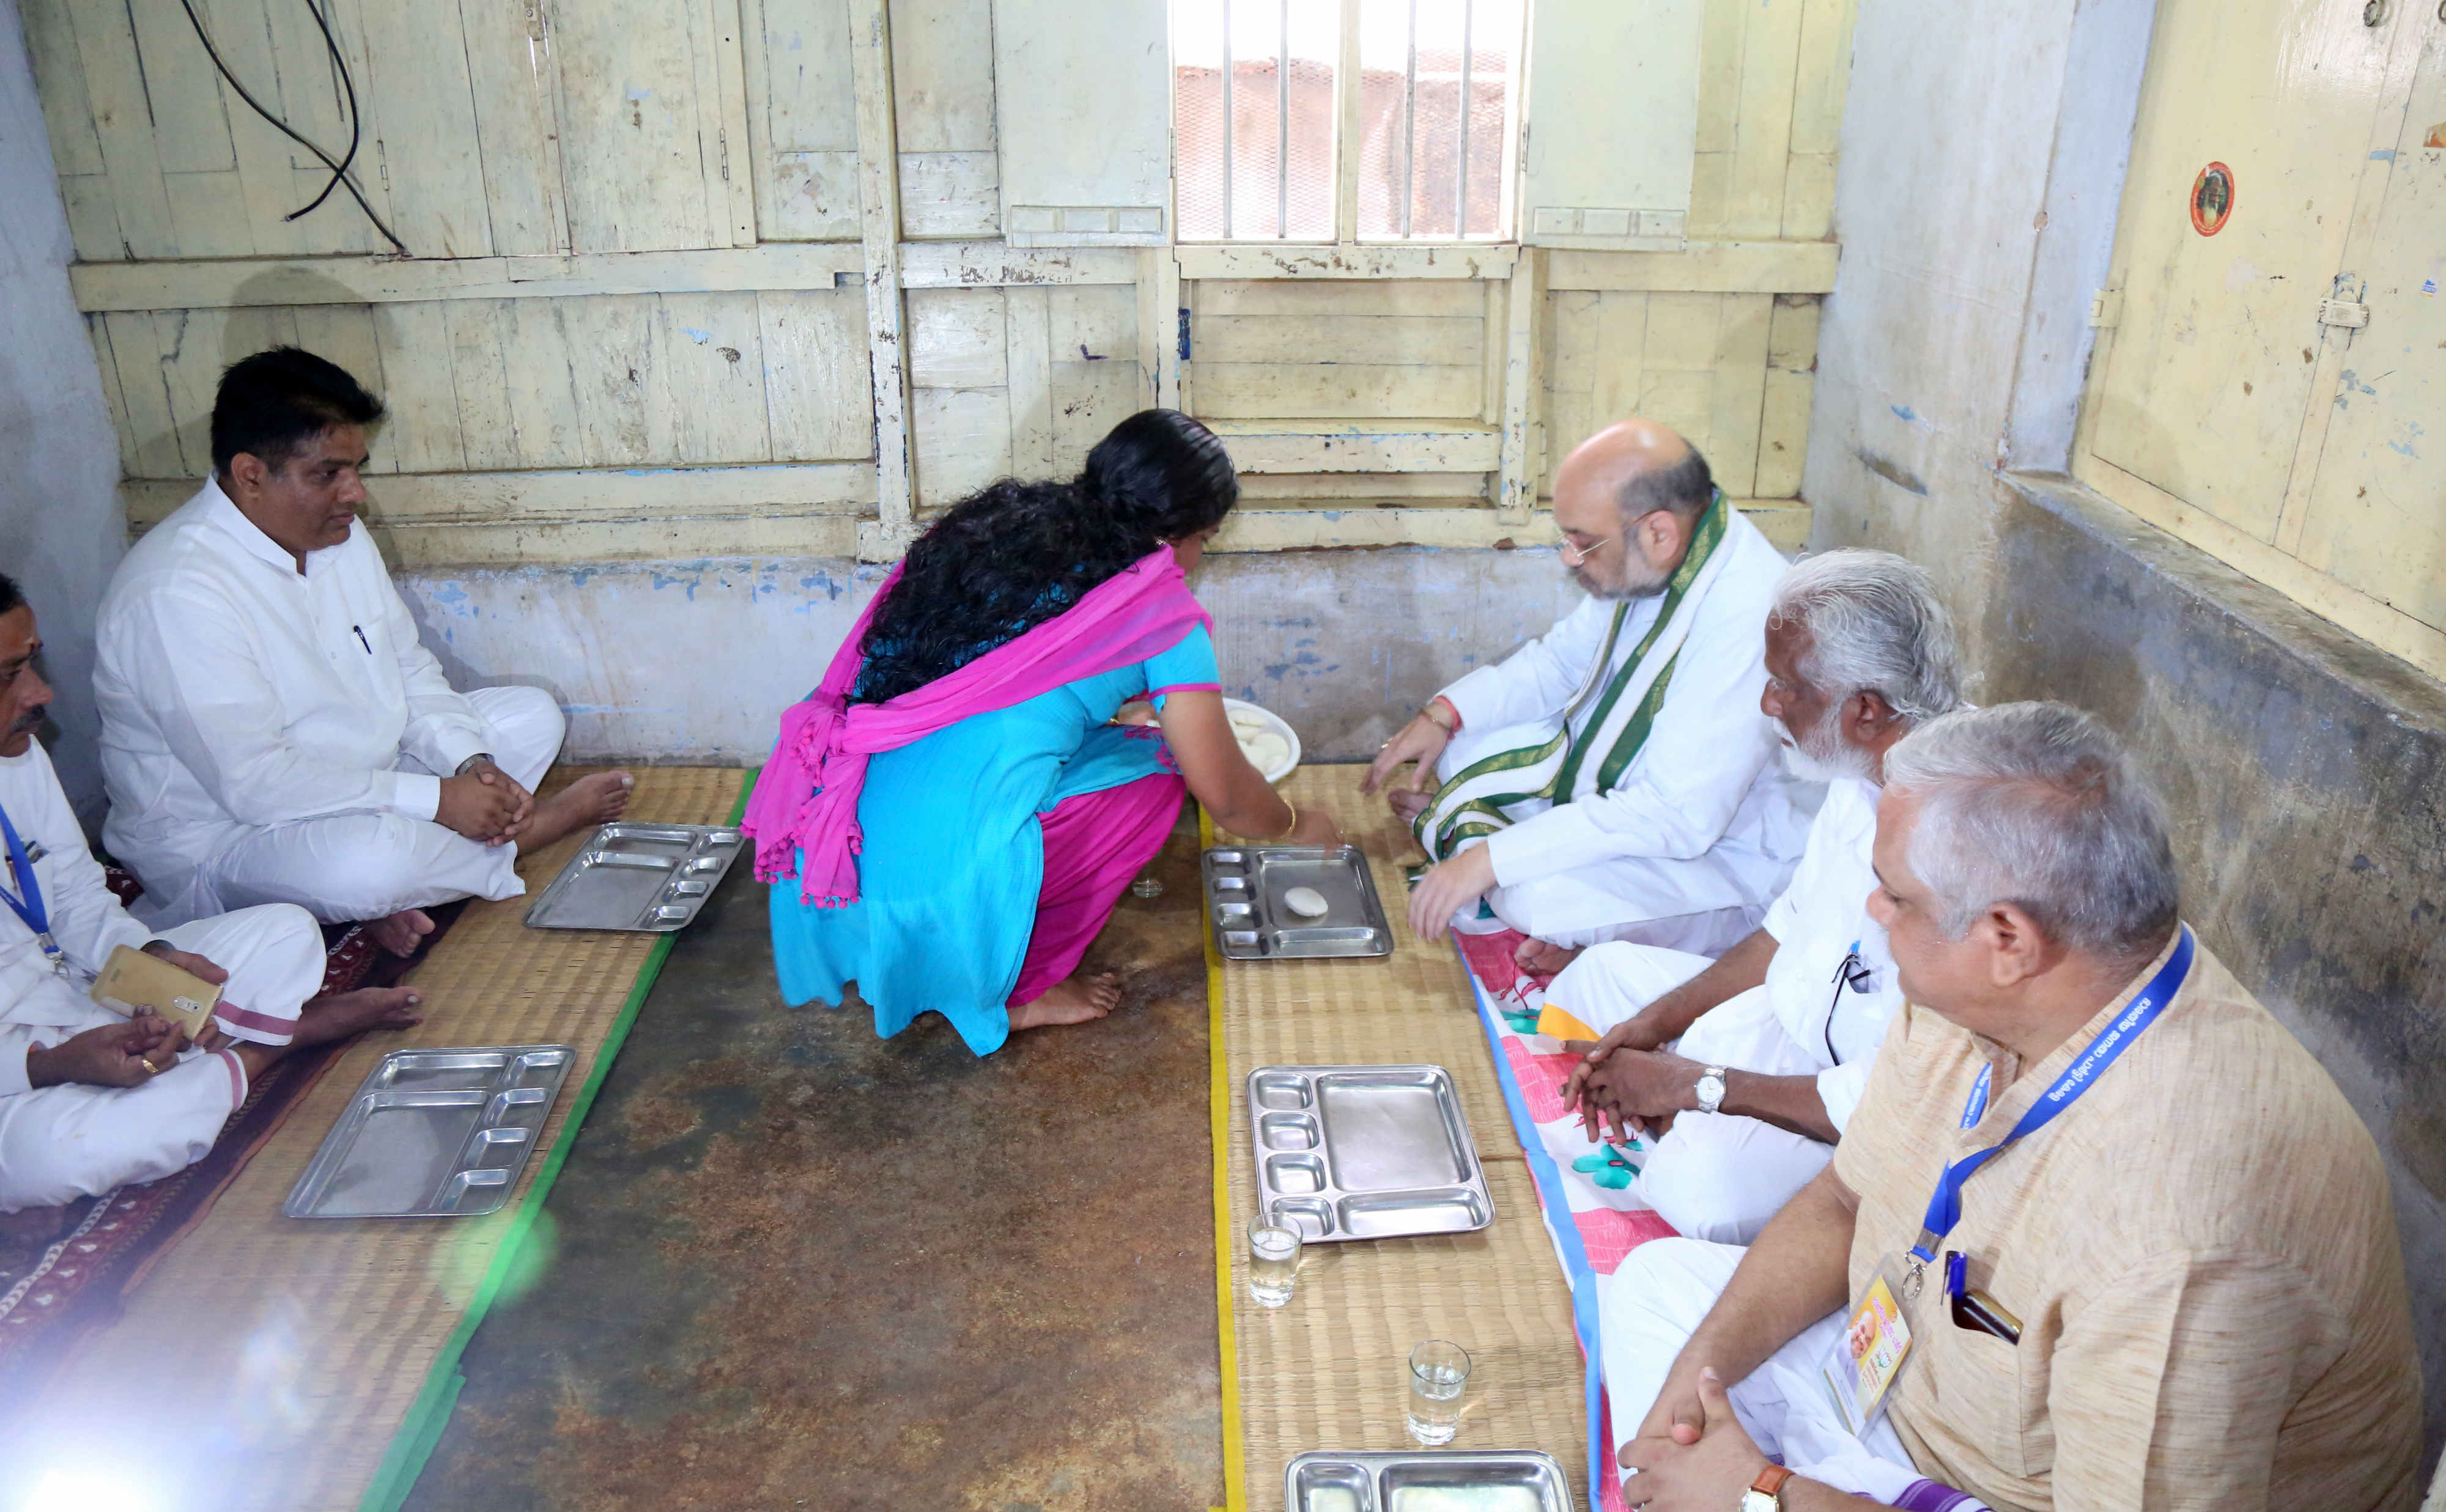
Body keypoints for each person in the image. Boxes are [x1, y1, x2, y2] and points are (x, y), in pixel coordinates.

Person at [1603, 703, 2421, 1512]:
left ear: (2007, 939)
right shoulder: (1995, 992)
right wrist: (1691, 1388)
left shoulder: (2180, 1236)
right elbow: (1845, 1201)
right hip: (1904, 1394)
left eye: (1894, 897)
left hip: (2008, 1493)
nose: (1872, 914)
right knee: (1656, 1291)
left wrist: (1765, 1493)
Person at [746, 410, 1340, 1055]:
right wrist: (1290, 826)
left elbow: (992, 681)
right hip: (928, 886)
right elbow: (1223, 791)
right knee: (1161, 778)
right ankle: (1019, 990)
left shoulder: (988, 532)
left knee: (1122, 735)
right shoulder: (1161, 613)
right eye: (1205, 537)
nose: (1198, 558)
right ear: (1174, 535)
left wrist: (1121, 711)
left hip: (831, 846)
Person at [94, 348, 634, 954]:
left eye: (356, 468)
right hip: (231, 839)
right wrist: (436, 801)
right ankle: (529, 833)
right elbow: (256, 787)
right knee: (370, 867)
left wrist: (469, 765)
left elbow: (408, 668)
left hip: (363, 783)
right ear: (250, 475)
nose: (356, 493)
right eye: (328, 474)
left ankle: (413, 879)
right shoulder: (175, 592)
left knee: (530, 715)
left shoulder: (335, 536)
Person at [1551, 550, 1961, 1244]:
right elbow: (1782, 933)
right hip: (1796, 1024)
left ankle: (1702, 1116)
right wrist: (1655, 1026)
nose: (1768, 704)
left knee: (1700, 1186)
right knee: (1603, 980)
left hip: (1868, 1112)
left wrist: (1696, 1086)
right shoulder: (1861, 765)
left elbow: (1894, 1102)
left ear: (1863, 707)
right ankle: (1683, 1085)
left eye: (1784, 686)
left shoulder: (1961, 835)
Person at [0, 578, 421, 1211]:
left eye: (32, 660)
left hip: (74, 992)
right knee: (67, 1154)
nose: (40, 693)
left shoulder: (17, 753)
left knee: (285, 930)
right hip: (18, 1071)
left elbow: (80, 901)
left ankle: (200, 1065)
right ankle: (269, 1046)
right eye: (8, 674)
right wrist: (51, 1065)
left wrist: (152, 962)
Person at [1365, 419, 1811, 962]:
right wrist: (1444, 715)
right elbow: (1559, 664)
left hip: (1714, 854)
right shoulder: (1656, 554)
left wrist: (1485, 861)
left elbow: (1673, 817)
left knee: (1540, 901)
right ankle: (1481, 836)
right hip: (1618, 788)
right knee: (1461, 747)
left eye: (1583, 542)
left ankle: (1588, 928)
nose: (1568, 558)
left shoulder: (1749, 615)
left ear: (1659, 533)